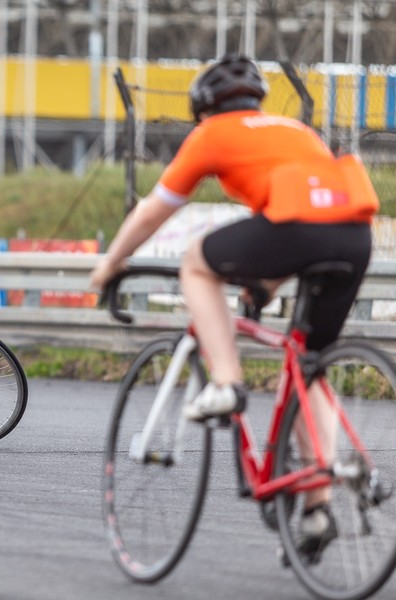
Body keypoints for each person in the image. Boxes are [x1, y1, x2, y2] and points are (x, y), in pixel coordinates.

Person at [89, 55, 378, 562]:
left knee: (197, 265)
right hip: (355, 235)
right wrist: (265, 284)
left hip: (299, 230)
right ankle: (317, 507)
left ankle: (226, 382)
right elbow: (303, 214)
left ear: (203, 108)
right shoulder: (296, 130)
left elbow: (154, 210)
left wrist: (110, 264)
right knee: (310, 366)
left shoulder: (212, 133)